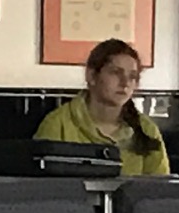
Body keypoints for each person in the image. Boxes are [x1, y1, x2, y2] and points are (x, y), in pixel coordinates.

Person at [33, 38, 171, 176]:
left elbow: (160, 186)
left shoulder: (147, 130)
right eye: (116, 72)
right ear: (91, 76)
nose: (125, 83)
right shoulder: (58, 125)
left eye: (132, 76)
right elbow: (42, 185)